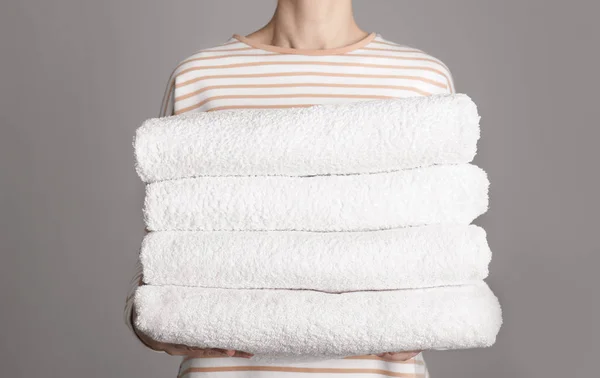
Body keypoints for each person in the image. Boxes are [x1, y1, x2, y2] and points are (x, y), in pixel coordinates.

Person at [125, 0, 455, 376]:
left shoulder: (420, 79)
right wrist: (161, 325)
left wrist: (434, 314)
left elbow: (441, 259)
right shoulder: (202, 77)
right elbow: (161, 265)